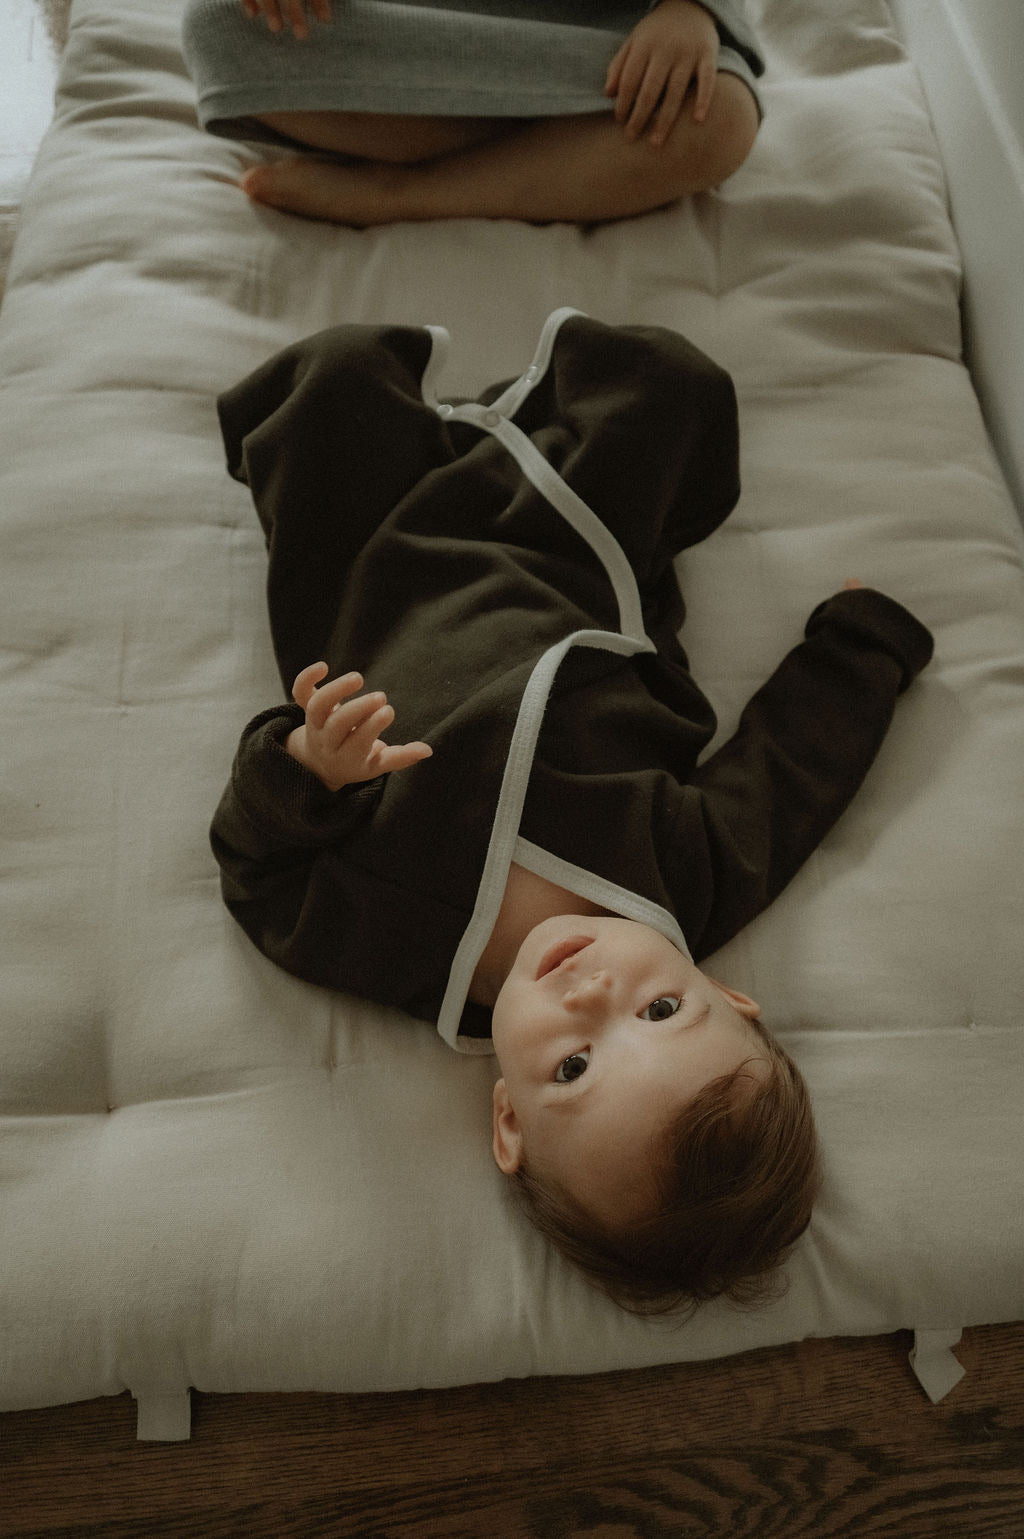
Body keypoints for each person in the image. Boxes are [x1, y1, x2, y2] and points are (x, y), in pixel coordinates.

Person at [210, 308, 934, 1312]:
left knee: (328, 381)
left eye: (576, 1065)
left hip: (377, 571)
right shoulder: (689, 879)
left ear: (507, 1121)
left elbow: (254, 869)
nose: (595, 993)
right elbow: (792, 767)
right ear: (733, 999)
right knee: (670, 388)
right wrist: (864, 647)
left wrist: (304, 769)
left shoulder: (387, 945)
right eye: (663, 1009)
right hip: (566, 551)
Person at [181, 0, 764, 224]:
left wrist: (691, 9)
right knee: (220, 21)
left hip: (600, 33)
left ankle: (405, 195)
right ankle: (563, 158)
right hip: (428, 23)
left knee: (722, 116)